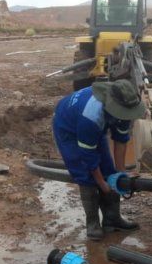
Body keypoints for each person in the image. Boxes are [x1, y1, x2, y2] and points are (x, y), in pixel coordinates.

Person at [52, 79, 145, 241]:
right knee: (85, 174)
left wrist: (120, 173)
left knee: (109, 170)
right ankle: (93, 223)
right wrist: (102, 184)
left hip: (92, 125)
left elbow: (121, 140)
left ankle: (112, 219)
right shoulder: (91, 115)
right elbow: (88, 156)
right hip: (68, 128)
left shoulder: (125, 105)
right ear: (114, 107)